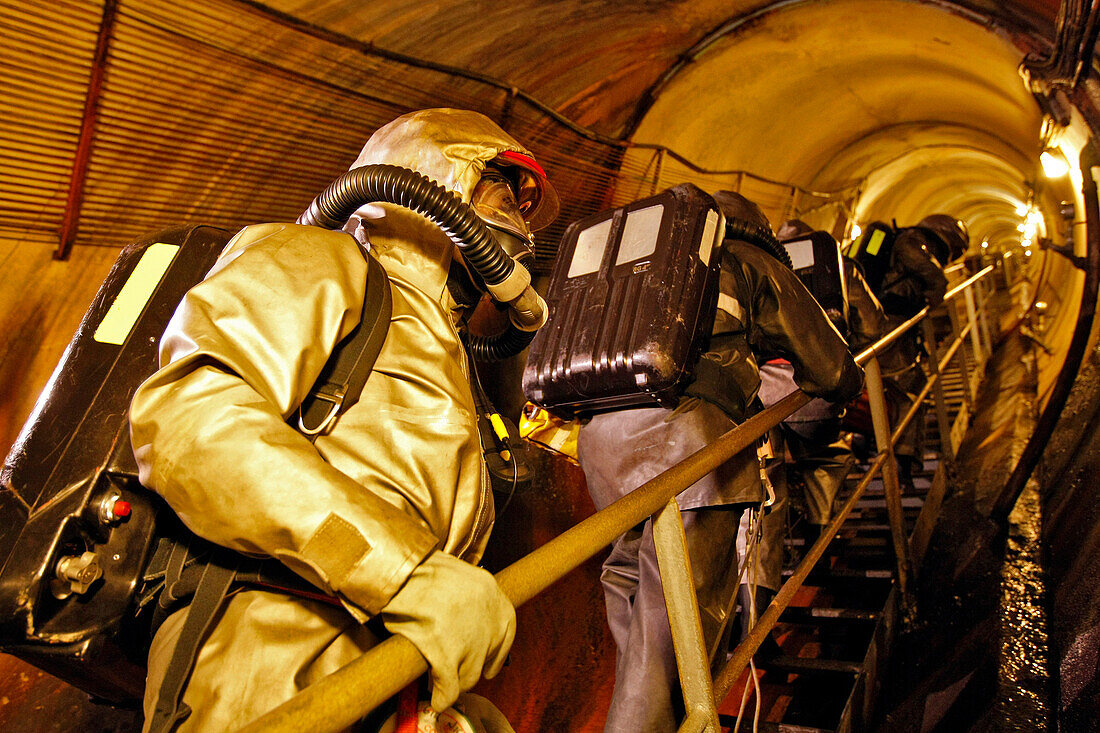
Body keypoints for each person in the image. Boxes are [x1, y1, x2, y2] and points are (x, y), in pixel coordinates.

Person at [128, 108, 558, 731]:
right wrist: (402, 573)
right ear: (440, 177)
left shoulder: (444, 350)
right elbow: (193, 422)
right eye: (504, 192)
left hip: (383, 672)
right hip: (270, 658)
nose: (518, 224)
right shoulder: (318, 257)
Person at [575, 192, 863, 732]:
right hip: (690, 457)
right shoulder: (747, 260)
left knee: (631, 603)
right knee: (671, 635)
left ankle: (640, 717)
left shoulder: (634, 265)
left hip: (600, 456)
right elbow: (832, 370)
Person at [733, 220, 885, 655]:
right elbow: (864, 327)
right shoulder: (825, 262)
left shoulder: (721, 265)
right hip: (804, 392)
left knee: (762, 500)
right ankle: (823, 537)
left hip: (749, 399)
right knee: (829, 454)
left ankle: (751, 621)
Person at [873, 214, 968, 489]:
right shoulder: (912, 238)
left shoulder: (906, 240)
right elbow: (914, 256)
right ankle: (901, 467)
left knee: (894, 389)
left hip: (891, 325)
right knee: (912, 390)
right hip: (889, 325)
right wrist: (938, 283)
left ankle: (885, 452)